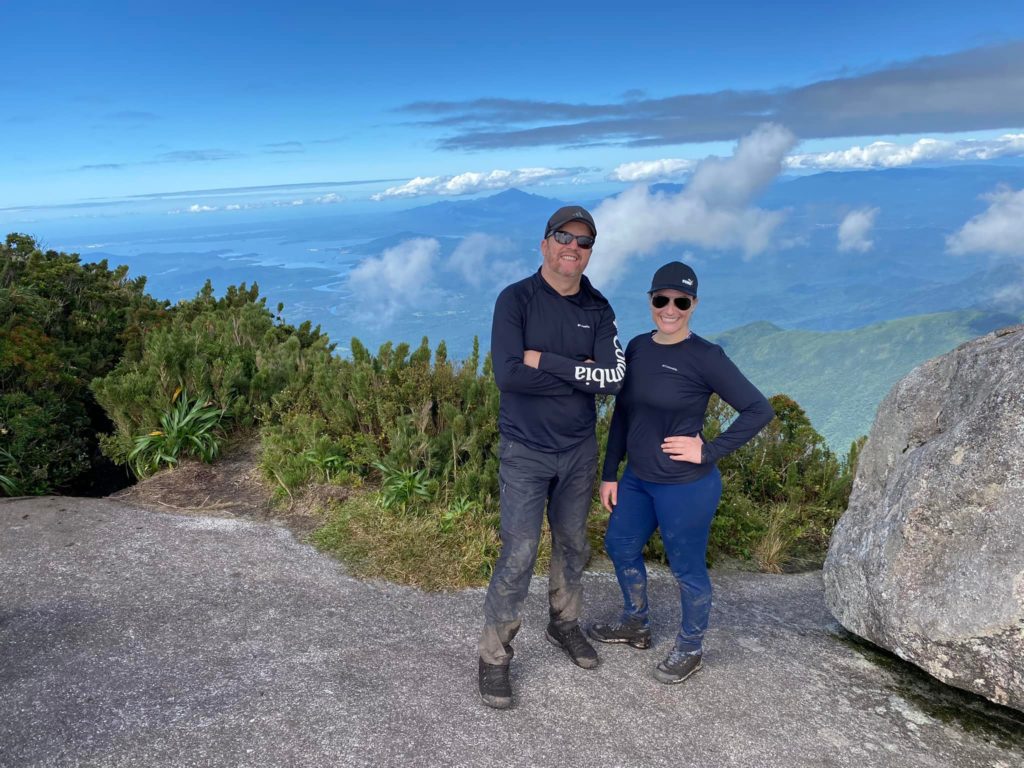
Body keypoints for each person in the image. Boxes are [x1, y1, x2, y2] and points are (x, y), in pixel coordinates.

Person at [589, 261, 773, 684]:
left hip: (685, 486)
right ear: (651, 300)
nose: (670, 309)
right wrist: (610, 472)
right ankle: (636, 622)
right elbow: (623, 413)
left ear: (693, 305)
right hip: (637, 479)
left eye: (681, 301)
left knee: (687, 568)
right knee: (619, 545)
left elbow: (758, 409)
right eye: (661, 299)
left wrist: (708, 450)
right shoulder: (636, 347)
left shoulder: (707, 357)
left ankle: (690, 646)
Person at [478, 205, 625, 709]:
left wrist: (548, 361)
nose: (572, 247)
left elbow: (613, 378)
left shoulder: (598, 308)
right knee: (518, 554)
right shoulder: (515, 300)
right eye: (563, 237)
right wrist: (577, 369)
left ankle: (564, 625)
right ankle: (495, 656)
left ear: (589, 252)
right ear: (544, 244)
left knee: (572, 545)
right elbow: (508, 374)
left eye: (583, 241)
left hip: (578, 451)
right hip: (525, 451)